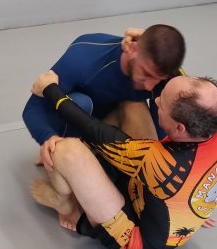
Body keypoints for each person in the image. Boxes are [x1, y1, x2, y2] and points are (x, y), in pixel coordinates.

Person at [29, 70, 217, 249]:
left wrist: (50, 89)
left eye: (161, 104)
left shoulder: (157, 162)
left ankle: (65, 205)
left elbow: (92, 129)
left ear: (180, 128)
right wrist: (192, 209)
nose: (156, 100)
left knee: (63, 150)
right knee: (132, 104)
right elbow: (178, 74)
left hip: (136, 235)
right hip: (153, 197)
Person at [22, 25, 186, 171]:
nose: (149, 86)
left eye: (157, 78)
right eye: (146, 73)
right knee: (81, 102)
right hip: (80, 123)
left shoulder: (160, 77)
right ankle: (69, 157)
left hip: (110, 126)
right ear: (132, 48)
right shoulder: (83, 57)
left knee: (150, 107)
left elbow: (165, 126)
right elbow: (32, 109)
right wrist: (47, 137)